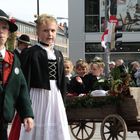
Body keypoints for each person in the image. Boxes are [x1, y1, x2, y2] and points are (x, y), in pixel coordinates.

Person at [18, 13, 70, 140]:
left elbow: (62, 79)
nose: (50, 34)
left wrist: (62, 97)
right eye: (45, 31)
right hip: (37, 95)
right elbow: (24, 79)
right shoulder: (31, 52)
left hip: (54, 95)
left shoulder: (58, 54)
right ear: (38, 32)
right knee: (37, 126)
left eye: (52, 31)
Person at [0, 9, 34, 140]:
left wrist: (27, 114)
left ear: (8, 33)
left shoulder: (13, 59)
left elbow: (21, 89)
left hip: (3, 119)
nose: (1, 31)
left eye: (4, 28)